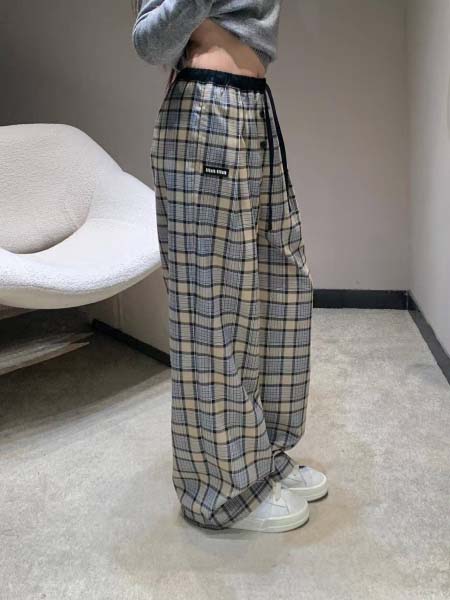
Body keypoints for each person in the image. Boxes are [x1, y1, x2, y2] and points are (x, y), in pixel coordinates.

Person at [131, 0, 328, 533]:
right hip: (205, 109)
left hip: (254, 106)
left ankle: (260, 458)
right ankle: (219, 491)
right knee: (213, 308)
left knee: (281, 291)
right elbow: (148, 41)